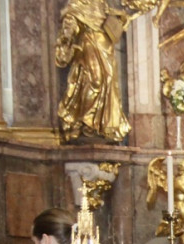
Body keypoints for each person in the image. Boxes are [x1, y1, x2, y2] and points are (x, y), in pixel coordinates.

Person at [55, 0, 131, 142]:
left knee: (109, 79)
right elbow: (70, 19)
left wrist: (120, 18)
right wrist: (68, 33)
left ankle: (103, 125)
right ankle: (85, 120)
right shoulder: (77, 3)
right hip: (89, 40)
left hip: (106, 44)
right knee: (95, 80)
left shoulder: (102, 3)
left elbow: (112, 17)